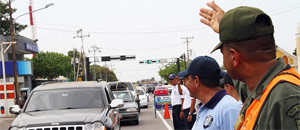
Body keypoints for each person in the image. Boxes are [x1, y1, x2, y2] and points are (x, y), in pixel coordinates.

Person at [199, 1, 300, 129]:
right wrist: (227, 30)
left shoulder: (285, 98)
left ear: (234, 57)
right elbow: (242, 81)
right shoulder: (263, 87)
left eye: (223, 53)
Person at [178, 56, 241, 130]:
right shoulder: (205, 107)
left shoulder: (229, 108)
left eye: (186, 79)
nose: (185, 84)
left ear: (196, 80)